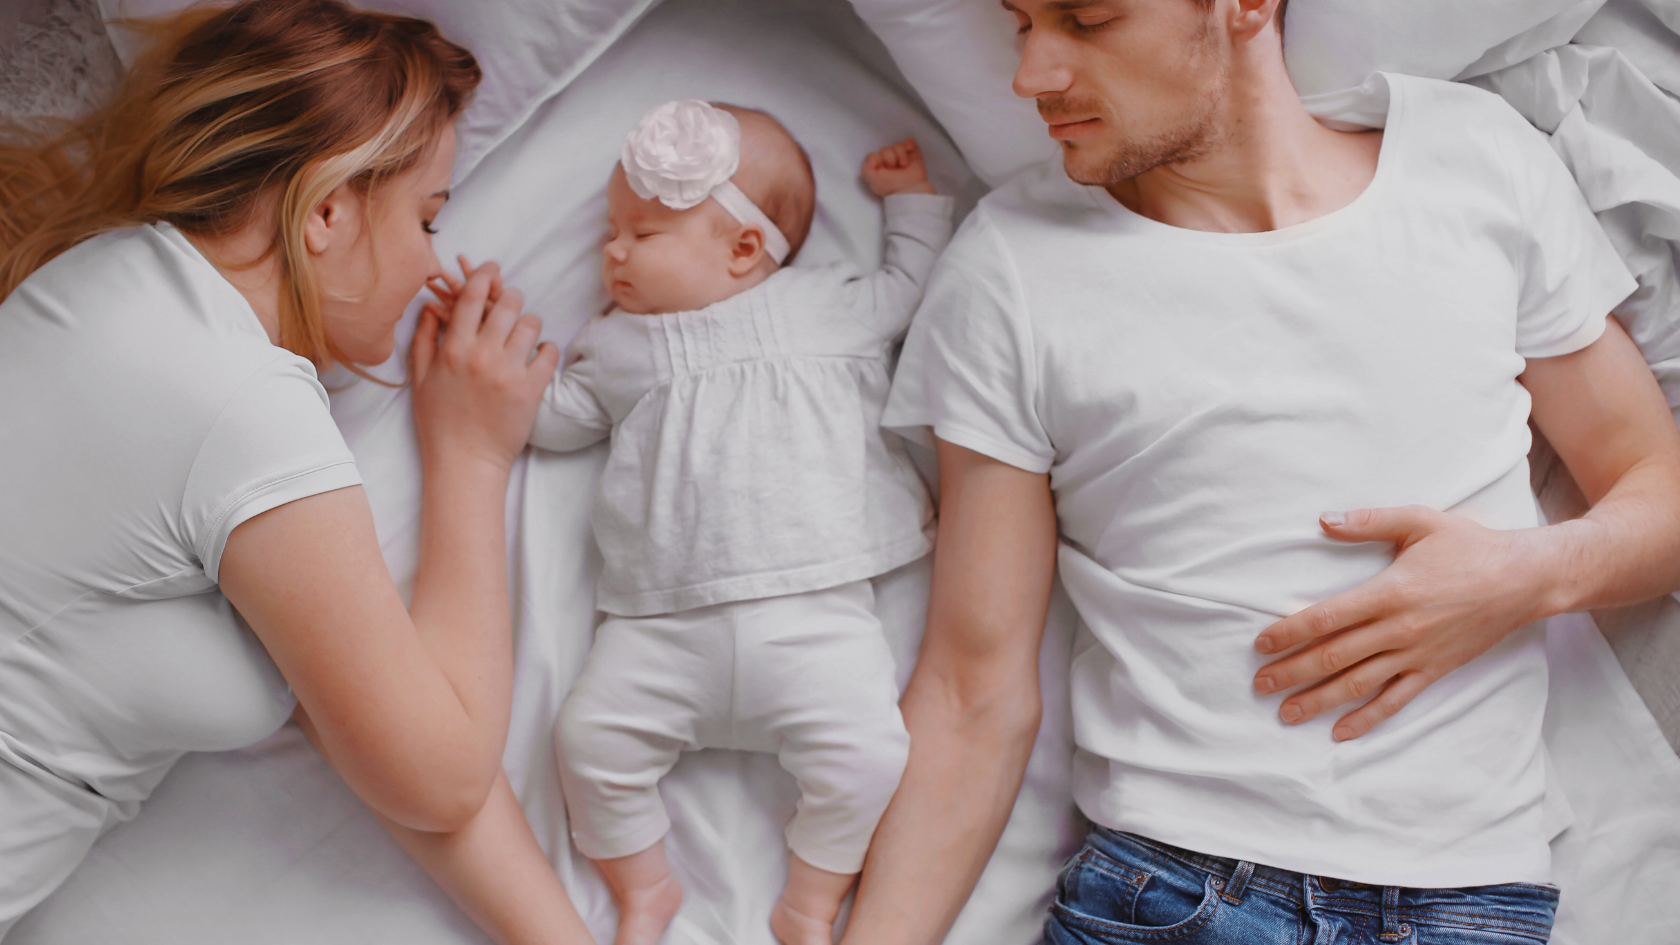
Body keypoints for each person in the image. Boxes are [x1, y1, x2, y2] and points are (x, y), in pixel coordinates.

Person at [842, 1, 1680, 943]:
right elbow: (971, 693)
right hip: (1169, 890)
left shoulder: (1472, 158)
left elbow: (1659, 488)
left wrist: (1525, 576)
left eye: (1086, 20)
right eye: (1022, 24)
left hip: (1471, 903)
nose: (1031, 75)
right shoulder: (1008, 266)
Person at [0, 3, 592, 942]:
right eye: (427, 217)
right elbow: (438, 774)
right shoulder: (242, 402)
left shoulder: (102, 285)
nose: (433, 264)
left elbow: (355, 705)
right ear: (327, 211)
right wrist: (471, 456)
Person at [511, 99, 953, 945]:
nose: (612, 250)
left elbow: (908, 289)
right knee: (588, 743)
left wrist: (912, 204)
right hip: (658, 632)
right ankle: (646, 891)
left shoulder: (826, 305)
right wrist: (510, 377)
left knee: (870, 758)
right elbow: (558, 421)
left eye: (641, 232)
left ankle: (810, 903)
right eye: (611, 229)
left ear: (746, 247)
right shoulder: (616, 346)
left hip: (814, 617)